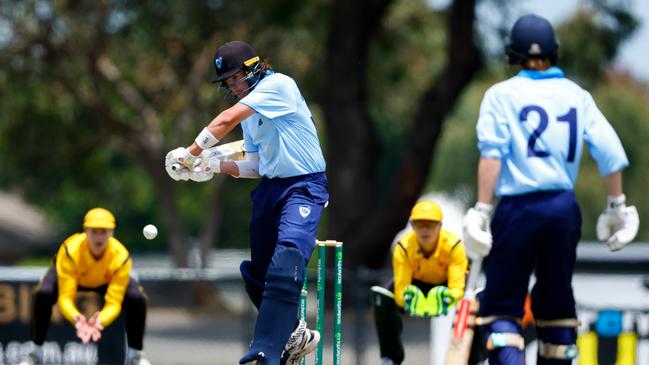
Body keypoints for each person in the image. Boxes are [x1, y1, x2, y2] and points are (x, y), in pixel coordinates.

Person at [462, 14, 640, 365]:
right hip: (563, 208)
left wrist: (482, 209)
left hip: (518, 209)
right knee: (557, 303)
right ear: (554, 53)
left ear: (512, 54)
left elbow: (492, 156)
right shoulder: (577, 95)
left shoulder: (500, 95)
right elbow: (611, 152)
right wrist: (617, 205)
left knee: (501, 306)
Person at [164, 41, 328, 365]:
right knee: (257, 273)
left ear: (255, 67)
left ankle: (266, 346)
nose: (232, 86)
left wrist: (191, 153)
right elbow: (256, 165)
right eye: (227, 83)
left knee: (288, 254)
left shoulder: (278, 86)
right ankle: (296, 335)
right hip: (271, 187)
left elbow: (224, 120)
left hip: (303, 185)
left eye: (235, 78)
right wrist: (210, 166)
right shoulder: (251, 114)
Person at [19, 208, 150, 365]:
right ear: (86, 231)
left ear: (112, 233)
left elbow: (114, 302)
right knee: (43, 293)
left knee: (137, 298)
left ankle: (136, 355)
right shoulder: (70, 251)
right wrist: (77, 319)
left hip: (104, 280)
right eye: (94, 231)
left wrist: (100, 320)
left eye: (104, 231)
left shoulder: (120, 257)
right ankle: (35, 352)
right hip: (75, 277)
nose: (99, 236)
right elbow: (65, 297)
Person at [371, 200, 469, 365]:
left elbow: (457, 288)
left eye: (430, 224)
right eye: (418, 223)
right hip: (414, 286)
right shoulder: (403, 247)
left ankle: (477, 359)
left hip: (445, 288)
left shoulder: (454, 246)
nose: (424, 229)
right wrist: (410, 299)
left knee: (477, 299)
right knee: (383, 298)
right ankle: (390, 358)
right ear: (412, 225)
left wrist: (445, 297)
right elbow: (401, 290)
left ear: (440, 225)